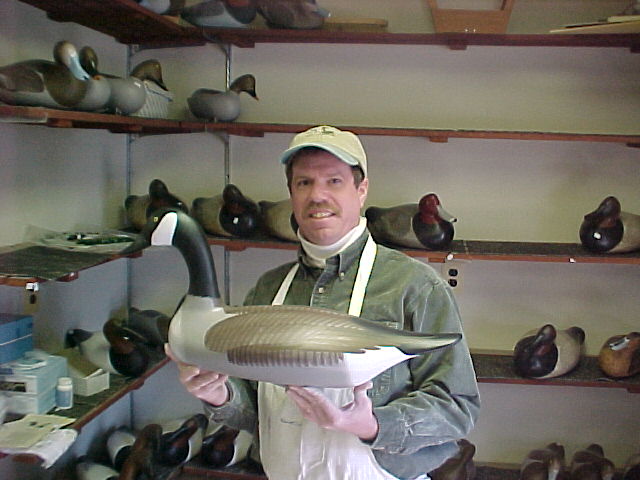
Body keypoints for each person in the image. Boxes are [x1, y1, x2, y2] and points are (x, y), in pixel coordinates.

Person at [166, 125, 480, 480]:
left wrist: (374, 425)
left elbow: (458, 407)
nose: (317, 195)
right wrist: (220, 395)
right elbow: (257, 414)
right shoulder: (268, 290)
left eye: (334, 181)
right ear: (291, 193)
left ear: (361, 191)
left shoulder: (415, 286)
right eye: (304, 183)